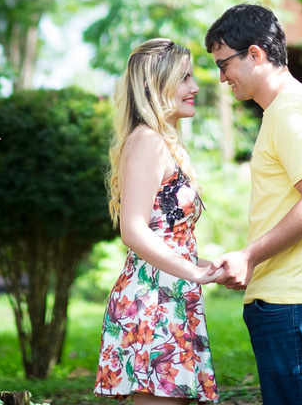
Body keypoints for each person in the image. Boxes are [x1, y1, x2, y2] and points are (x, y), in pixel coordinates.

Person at [205, 4, 302, 405]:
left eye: (224, 64)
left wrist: (249, 255)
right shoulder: (286, 110)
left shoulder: (289, 112)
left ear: (255, 54)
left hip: (295, 303)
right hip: (293, 300)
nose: (222, 78)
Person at [95, 38, 220, 404]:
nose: (194, 87)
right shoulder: (147, 141)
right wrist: (195, 273)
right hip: (152, 303)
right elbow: (133, 231)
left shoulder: (164, 143)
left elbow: (165, 238)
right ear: (153, 84)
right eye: (184, 78)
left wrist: (211, 268)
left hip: (171, 296)